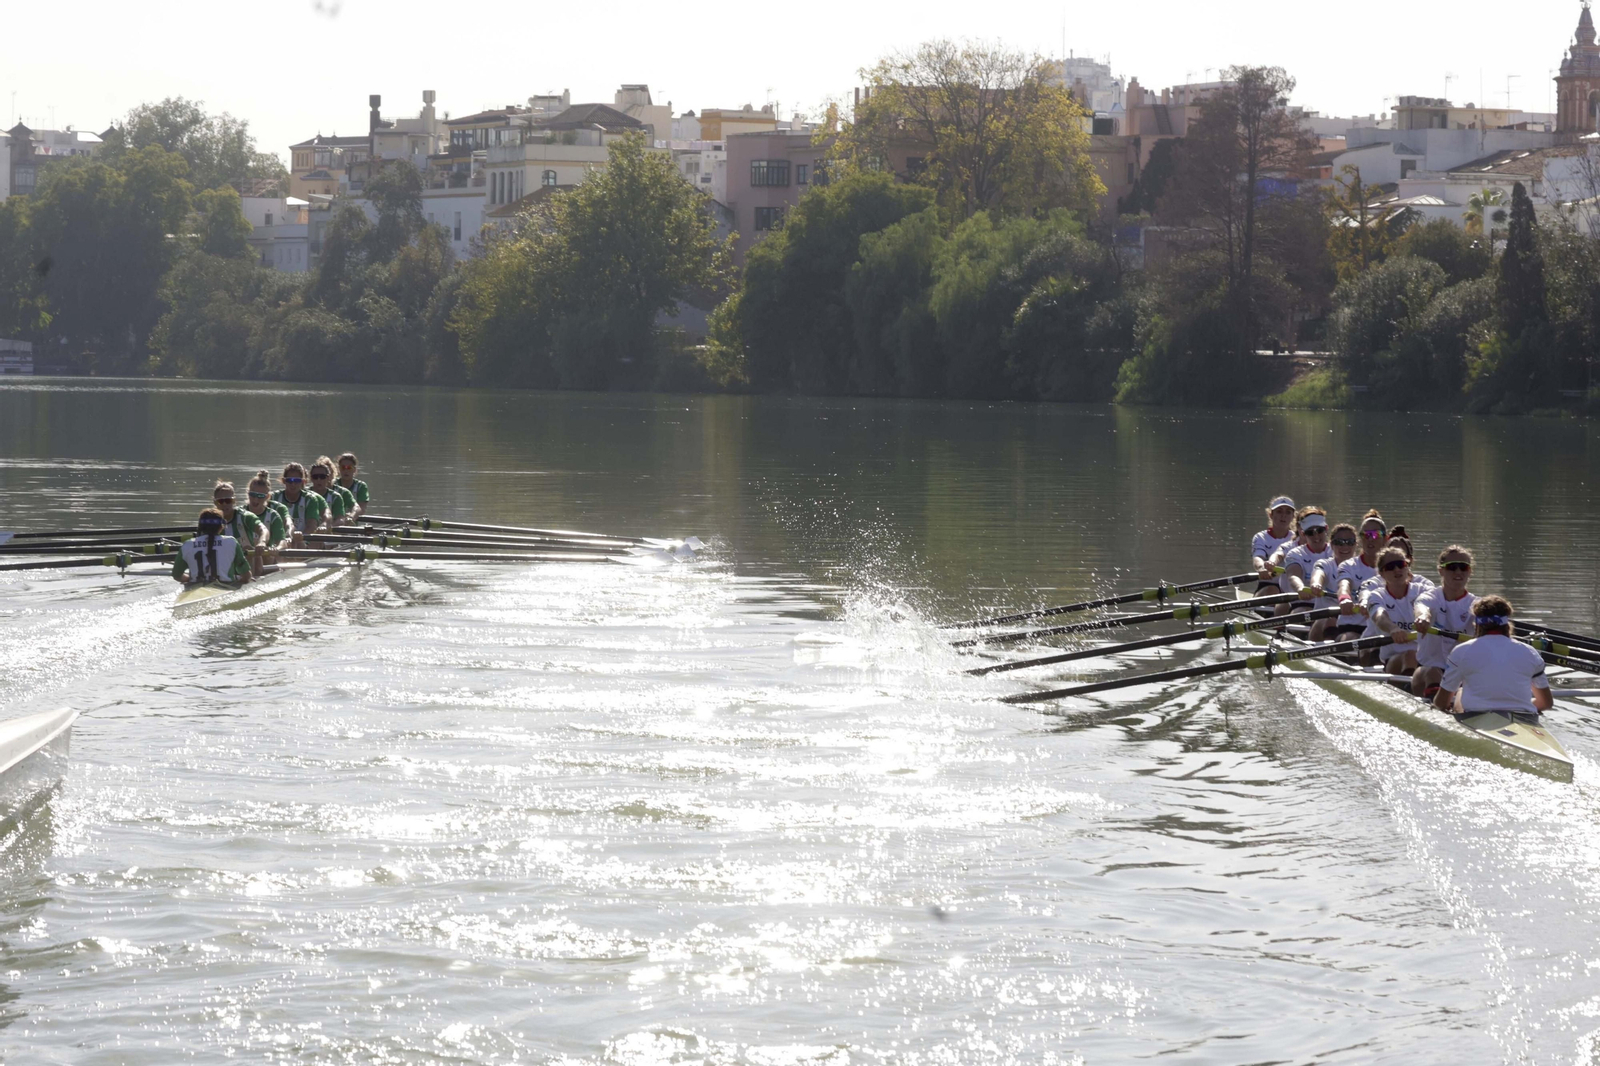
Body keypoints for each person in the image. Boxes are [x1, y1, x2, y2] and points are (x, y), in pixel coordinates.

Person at [1433, 595, 1553, 718]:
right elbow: (1546, 703)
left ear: (1476, 624)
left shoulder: (1461, 651)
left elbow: (1441, 703)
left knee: (1461, 691)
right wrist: (1525, 706)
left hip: (1476, 718)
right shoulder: (1530, 652)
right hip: (1524, 718)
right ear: (1507, 623)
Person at [1412, 545, 1477, 697]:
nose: (1458, 572)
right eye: (1452, 567)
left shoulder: (1475, 604)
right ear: (1441, 571)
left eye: (1463, 567)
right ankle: (1439, 706)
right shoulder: (1431, 597)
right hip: (1427, 671)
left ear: (1470, 571)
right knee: (1433, 672)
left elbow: (1485, 616)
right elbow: (1422, 606)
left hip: (1461, 673)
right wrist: (1423, 617)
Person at [1362, 545, 1425, 673]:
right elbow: (1379, 616)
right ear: (1382, 573)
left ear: (1407, 567)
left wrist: (1423, 617)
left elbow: (1424, 606)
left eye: (1401, 564)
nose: (1397, 569)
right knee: (1410, 655)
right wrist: (1393, 629)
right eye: (1390, 567)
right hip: (1393, 658)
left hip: (1425, 659)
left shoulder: (1422, 590)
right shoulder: (1376, 596)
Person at [1333, 510, 1387, 642]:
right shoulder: (1348, 566)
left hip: (1384, 628)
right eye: (1365, 534)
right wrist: (1345, 598)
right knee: (1351, 639)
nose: (1369, 538)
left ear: (1386, 539)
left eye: (1375, 534)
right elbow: (1344, 585)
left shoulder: (1394, 569)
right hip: (1352, 627)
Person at [172, 508, 251, 586]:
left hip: (195, 588)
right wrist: (239, 581)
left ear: (200, 527)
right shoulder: (231, 542)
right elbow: (246, 576)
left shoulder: (187, 544)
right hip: (225, 588)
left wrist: (189, 579)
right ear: (221, 527)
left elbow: (176, 576)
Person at [1307, 522, 1360, 640]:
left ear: (1356, 544)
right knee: (1330, 620)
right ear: (1331, 545)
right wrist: (1316, 584)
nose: (1344, 547)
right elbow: (1318, 574)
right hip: (1324, 621)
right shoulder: (1324, 564)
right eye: (1339, 542)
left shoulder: (1363, 568)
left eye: (1349, 542)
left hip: (1354, 624)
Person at [1278, 507, 1331, 616]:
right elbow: (1293, 576)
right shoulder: (1295, 554)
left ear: (1326, 528)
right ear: (1302, 533)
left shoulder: (1337, 552)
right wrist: (1300, 587)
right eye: (1310, 532)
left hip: (1330, 606)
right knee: (1300, 612)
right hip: (1303, 603)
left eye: (1320, 530)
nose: (1316, 536)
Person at [211, 480, 267, 577]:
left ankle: (250, 578)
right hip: (221, 564)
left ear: (234, 501)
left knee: (248, 548)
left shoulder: (245, 516)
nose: (224, 505)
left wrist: (262, 542)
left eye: (228, 501)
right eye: (221, 501)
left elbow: (263, 530)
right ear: (215, 502)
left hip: (245, 566)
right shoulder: (209, 520)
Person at [243, 470, 291, 570]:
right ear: (248, 493)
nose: (256, 500)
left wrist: (277, 549)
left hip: (266, 559)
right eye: (253, 495)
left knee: (263, 554)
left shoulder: (273, 516)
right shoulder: (240, 513)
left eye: (260, 496)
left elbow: (282, 542)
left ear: (268, 497)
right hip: (244, 559)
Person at [274, 462, 329, 547]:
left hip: (304, 540)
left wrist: (300, 540)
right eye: (289, 480)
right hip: (281, 540)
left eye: (297, 481)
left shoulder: (310, 499)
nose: (293, 484)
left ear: (303, 481)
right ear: (284, 481)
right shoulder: (275, 497)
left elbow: (311, 526)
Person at [1251, 495, 1297, 596]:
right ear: (1271, 515)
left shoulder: (1297, 539)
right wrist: (1261, 568)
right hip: (1267, 585)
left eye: (1288, 512)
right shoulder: (1260, 537)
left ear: (1293, 517)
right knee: (1273, 590)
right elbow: (1258, 557)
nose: (1283, 516)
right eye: (1279, 511)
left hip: (1291, 589)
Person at [309, 457, 352, 528]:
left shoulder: (336, 497)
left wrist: (328, 528)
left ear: (328, 478)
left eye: (322, 477)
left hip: (329, 533)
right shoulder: (304, 495)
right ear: (311, 478)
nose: (319, 480)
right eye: (315, 477)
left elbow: (340, 519)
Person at [335, 452, 369, 520]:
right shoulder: (333, 484)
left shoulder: (361, 486)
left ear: (354, 470)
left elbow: (362, 509)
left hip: (351, 523)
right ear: (339, 469)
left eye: (349, 468)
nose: (346, 471)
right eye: (343, 467)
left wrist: (351, 515)